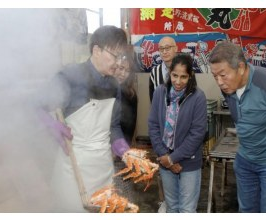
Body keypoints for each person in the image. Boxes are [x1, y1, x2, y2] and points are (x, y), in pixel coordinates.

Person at [39, 25, 134, 212]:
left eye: (121, 56)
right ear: (96, 50)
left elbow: (113, 126)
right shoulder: (69, 77)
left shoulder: (115, 85)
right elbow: (36, 106)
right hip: (73, 171)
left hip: (103, 169)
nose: (118, 62)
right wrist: (51, 124)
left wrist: (124, 150)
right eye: (115, 55)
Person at [208, 41, 266, 213]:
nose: (219, 82)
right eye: (215, 76)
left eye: (223, 75)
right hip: (245, 160)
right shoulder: (228, 87)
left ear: (240, 67)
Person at [148, 53, 207, 212]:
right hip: (165, 158)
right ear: (169, 73)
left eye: (183, 77)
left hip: (188, 162)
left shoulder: (198, 97)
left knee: (187, 209)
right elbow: (153, 125)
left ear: (190, 76)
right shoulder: (160, 92)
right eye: (174, 75)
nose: (178, 81)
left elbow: (197, 134)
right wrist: (164, 156)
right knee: (172, 207)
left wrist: (172, 158)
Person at [112, 45, 138, 202]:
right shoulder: (107, 92)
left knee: (125, 199)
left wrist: (128, 149)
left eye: (126, 70)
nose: (121, 73)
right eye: (119, 68)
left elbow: (132, 125)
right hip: (109, 152)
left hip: (123, 152)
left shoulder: (131, 94)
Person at [149, 36, 178, 102]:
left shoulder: (184, 70)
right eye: (161, 49)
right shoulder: (154, 72)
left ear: (176, 48)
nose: (164, 52)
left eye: (167, 48)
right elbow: (153, 100)